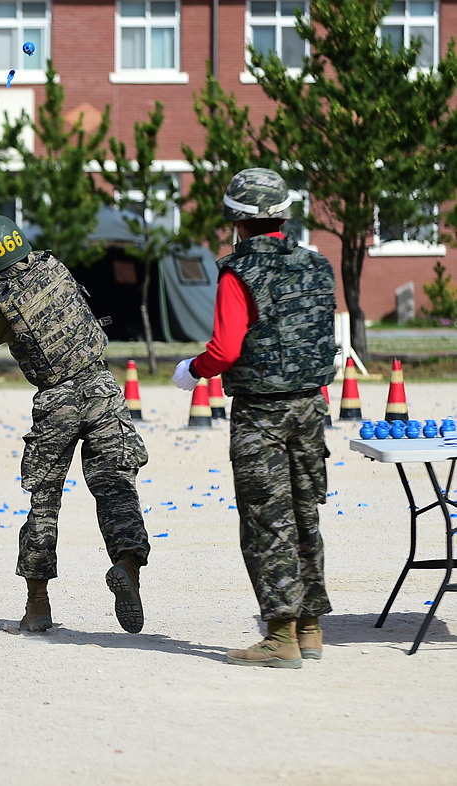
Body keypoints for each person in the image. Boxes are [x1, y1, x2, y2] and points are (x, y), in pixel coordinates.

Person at [172, 167, 336, 669]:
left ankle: (279, 635)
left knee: (268, 521)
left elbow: (224, 349)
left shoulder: (238, 273)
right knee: (306, 513)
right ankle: (310, 627)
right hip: (311, 408)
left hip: (261, 415)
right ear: (282, 215)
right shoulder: (318, 265)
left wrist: (193, 370)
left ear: (236, 220)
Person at [0, 215, 151, 634]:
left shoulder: (0, 304)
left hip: (56, 402)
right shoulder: (54, 267)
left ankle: (38, 605)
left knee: (44, 505)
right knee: (117, 488)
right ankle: (127, 566)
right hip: (102, 386)